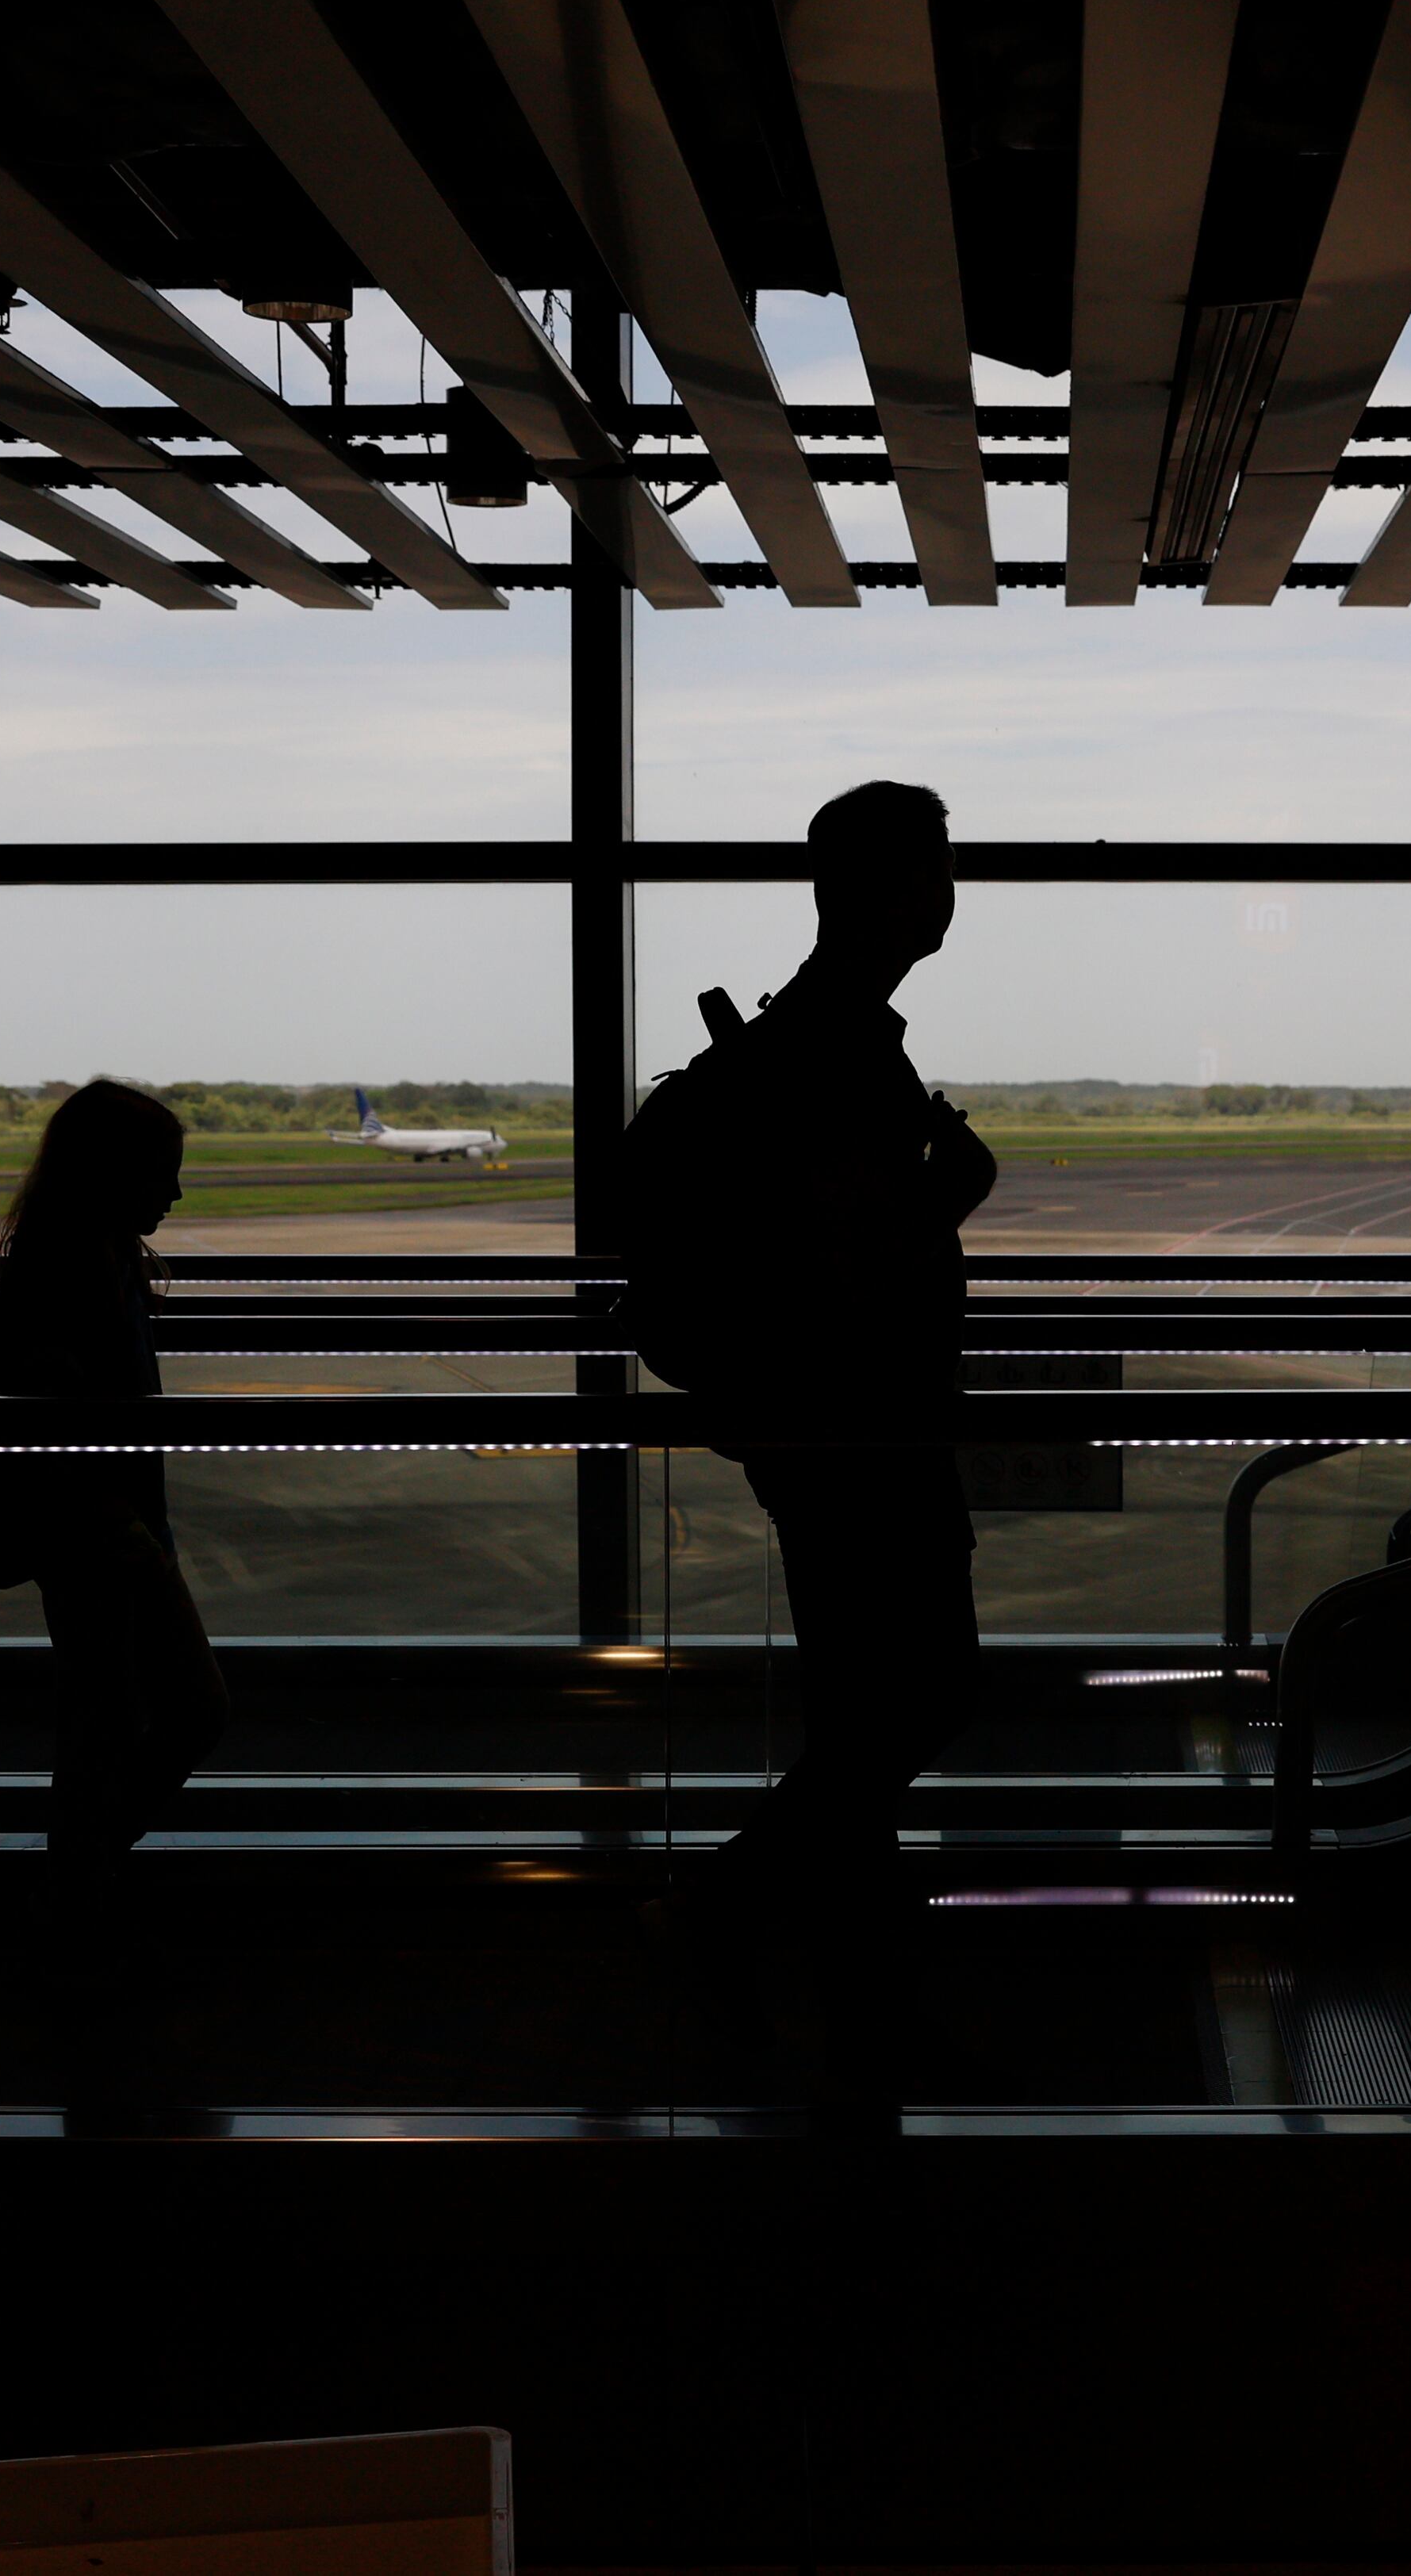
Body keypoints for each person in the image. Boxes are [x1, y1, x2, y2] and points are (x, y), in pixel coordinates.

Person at [624, 781, 995, 1949]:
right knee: (926, 1688)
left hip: (817, 1423)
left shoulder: (804, 1035)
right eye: (936, 868)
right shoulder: (839, 1046)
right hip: (863, 1428)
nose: (949, 894)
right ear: (884, 890)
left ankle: (840, 1942)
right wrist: (950, 1197)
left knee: (860, 1697)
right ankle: (732, 1907)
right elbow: (855, 1258)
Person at [0, 1078, 228, 1873]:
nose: (178, 1191)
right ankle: (79, 1883)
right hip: (99, 1528)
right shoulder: (76, 1279)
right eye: (161, 1170)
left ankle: (78, 1886)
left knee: (106, 1717)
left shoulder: (92, 1260)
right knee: (168, 1712)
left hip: (107, 1524)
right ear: (113, 1174)